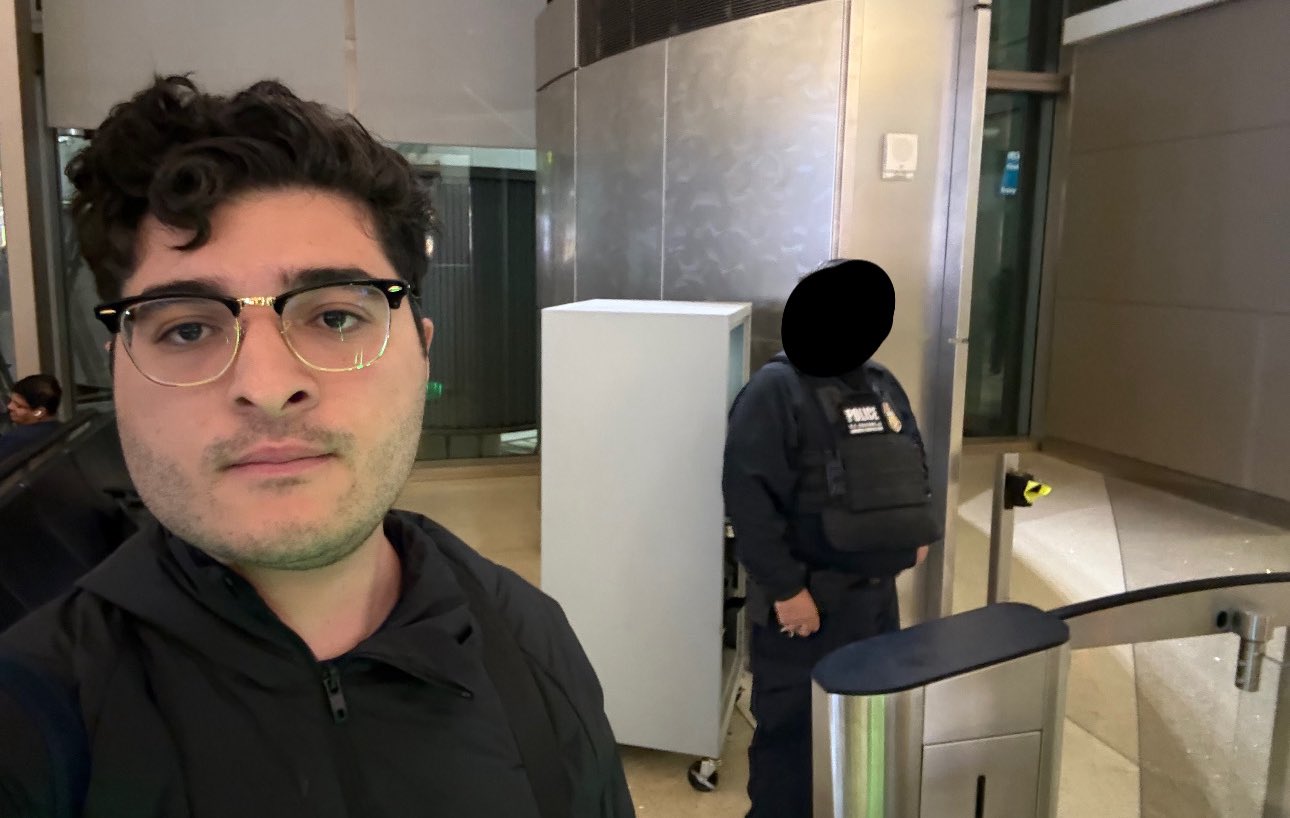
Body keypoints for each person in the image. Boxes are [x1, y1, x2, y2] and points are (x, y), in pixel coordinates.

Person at [0, 76, 633, 818]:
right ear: (118, 371)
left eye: (334, 318)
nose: (268, 386)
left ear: (422, 353)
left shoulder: (531, 640)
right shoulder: (30, 719)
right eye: (188, 328)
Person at [723, 259, 943, 818]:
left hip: (876, 603)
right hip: (808, 607)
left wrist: (920, 531)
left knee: (869, 731)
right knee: (794, 741)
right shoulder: (774, 391)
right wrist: (785, 591)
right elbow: (749, 501)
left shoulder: (879, 382)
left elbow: (911, 463)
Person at [0, 374, 63, 461]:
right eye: (11, 401)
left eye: (18, 405)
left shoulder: (16, 439)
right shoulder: (60, 429)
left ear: (39, 412)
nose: (9, 406)